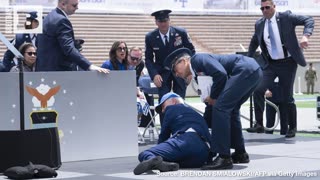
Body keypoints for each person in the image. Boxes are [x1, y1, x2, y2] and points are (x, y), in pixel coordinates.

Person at [164, 48, 263, 170]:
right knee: (231, 110)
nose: (176, 74)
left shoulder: (197, 60)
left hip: (244, 69)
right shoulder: (196, 73)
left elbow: (220, 74)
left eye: (175, 69)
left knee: (221, 108)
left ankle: (224, 157)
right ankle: (240, 153)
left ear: (184, 61)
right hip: (252, 70)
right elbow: (212, 97)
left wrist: (213, 97)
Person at [246, 0, 314, 137]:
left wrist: (305, 36)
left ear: (274, 7)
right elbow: (254, 41)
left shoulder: (286, 17)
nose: (264, 10)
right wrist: (248, 59)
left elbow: (309, 19)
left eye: (267, 7)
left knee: (287, 96)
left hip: (288, 63)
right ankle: (259, 124)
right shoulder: (259, 24)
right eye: (262, 8)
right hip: (270, 64)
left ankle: (292, 127)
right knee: (258, 89)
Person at [133, 92, 211, 175]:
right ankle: (162, 164)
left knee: (145, 154)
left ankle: (155, 161)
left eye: (163, 106)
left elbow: (163, 136)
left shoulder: (172, 108)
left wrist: (159, 149)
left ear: (174, 101)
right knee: (174, 160)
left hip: (186, 140)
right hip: (203, 154)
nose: (163, 111)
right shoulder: (197, 114)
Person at [145, 9, 195, 114]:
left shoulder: (181, 32)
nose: (163, 24)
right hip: (162, 74)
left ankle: (181, 127)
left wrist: (190, 71)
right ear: (156, 22)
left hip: (181, 73)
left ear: (169, 20)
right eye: (160, 21)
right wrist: (154, 75)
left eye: (165, 21)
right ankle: (165, 129)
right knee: (164, 102)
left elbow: (192, 52)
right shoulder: (150, 37)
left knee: (180, 102)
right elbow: (148, 59)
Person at [36, 0, 108, 73]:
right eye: (74, 5)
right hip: (58, 72)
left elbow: (37, 43)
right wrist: (89, 66)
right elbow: (68, 48)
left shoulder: (48, 18)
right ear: (63, 4)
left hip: (43, 69)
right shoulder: (61, 20)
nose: (77, 8)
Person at [128, 46, 155, 127]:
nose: (135, 61)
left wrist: (138, 92)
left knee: (146, 97)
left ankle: (145, 123)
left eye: (138, 59)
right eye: (133, 58)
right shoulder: (122, 63)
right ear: (128, 55)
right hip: (121, 89)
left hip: (132, 87)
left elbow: (135, 80)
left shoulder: (141, 64)